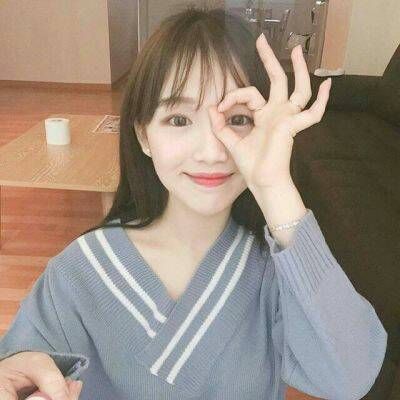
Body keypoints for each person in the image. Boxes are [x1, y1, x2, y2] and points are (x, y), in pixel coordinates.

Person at [0, 6, 387, 400]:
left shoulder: (277, 275)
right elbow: (22, 362)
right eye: (179, 120)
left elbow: (351, 376)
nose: (211, 152)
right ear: (143, 136)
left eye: (238, 119)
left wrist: (274, 187)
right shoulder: (79, 270)